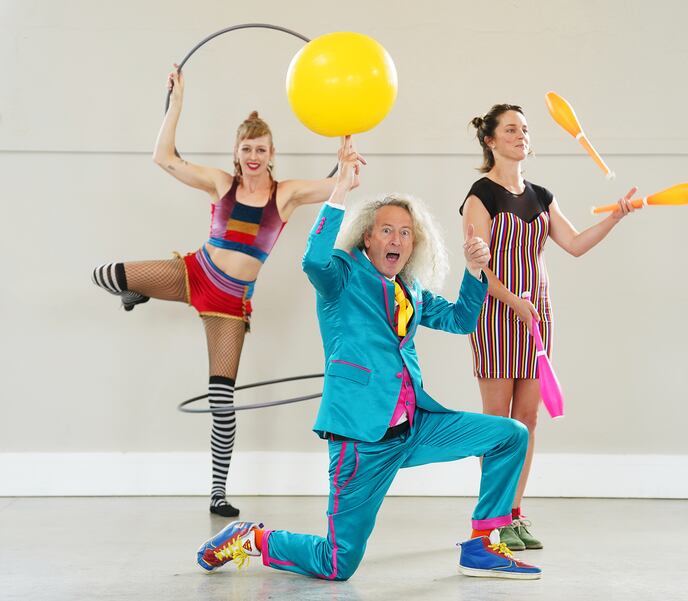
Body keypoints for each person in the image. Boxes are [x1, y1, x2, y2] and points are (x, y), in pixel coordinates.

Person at [195, 137, 541, 580]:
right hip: (361, 437)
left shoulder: (411, 288)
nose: (397, 239)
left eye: (406, 233)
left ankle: (482, 544)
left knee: (509, 435)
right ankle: (253, 539)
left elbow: (460, 321)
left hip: (417, 424)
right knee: (337, 563)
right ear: (366, 237)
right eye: (386, 230)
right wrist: (340, 189)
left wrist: (476, 271)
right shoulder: (341, 277)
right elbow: (312, 260)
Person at [91, 67, 361, 517]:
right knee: (109, 274)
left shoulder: (285, 195)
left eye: (260, 149)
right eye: (246, 149)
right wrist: (177, 102)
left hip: (229, 303)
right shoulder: (223, 184)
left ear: (272, 153)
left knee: (221, 398)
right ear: (235, 153)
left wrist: (345, 152)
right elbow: (163, 157)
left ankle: (217, 492)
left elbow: (341, 186)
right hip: (194, 273)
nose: (253, 156)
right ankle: (137, 292)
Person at [460, 104, 639, 550]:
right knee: (498, 425)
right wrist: (513, 302)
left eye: (525, 128)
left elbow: (575, 244)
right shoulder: (480, 195)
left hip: (537, 314)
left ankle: (514, 513)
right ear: (490, 140)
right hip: (497, 315)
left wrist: (615, 216)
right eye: (511, 129)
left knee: (528, 419)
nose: (521, 135)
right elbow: (477, 268)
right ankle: (489, 520)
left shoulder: (542, 194)